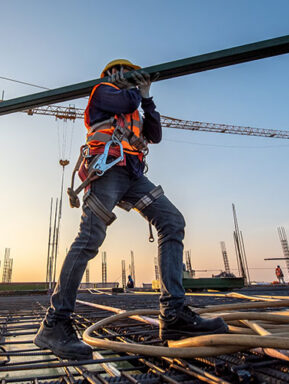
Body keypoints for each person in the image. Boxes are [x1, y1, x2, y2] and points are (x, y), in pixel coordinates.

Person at [34, 59, 228, 360]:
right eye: (124, 73)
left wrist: (148, 98)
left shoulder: (135, 105)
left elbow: (155, 134)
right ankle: (55, 323)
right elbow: (126, 98)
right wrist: (137, 89)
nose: (129, 79)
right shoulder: (103, 92)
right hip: (107, 171)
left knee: (171, 221)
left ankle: (174, 314)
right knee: (89, 240)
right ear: (112, 75)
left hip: (133, 175)